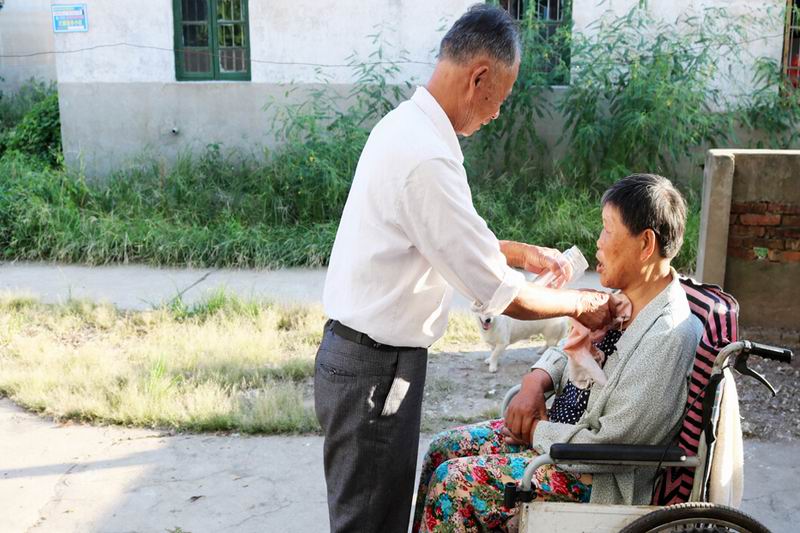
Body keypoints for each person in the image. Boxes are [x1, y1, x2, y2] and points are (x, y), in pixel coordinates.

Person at [314, 5, 614, 533]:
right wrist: (584, 303)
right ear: (479, 77)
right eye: (500, 98)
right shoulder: (425, 156)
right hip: (373, 370)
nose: (497, 113)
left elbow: (440, 239)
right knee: (369, 523)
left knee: (376, 514)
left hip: (369, 360)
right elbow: (505, 296)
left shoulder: (405, 127)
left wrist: (520, 253)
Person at [413, 174, 704, 532]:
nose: (598, 242)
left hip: (593, 478)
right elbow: (568, 351)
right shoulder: (627, 300)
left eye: (607, 230)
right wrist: (536, 380)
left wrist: (536, 431)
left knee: (454, 483)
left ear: (645, 244)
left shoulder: (667, 335)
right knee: (442, 448)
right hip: (559, 442)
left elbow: (615, 442)